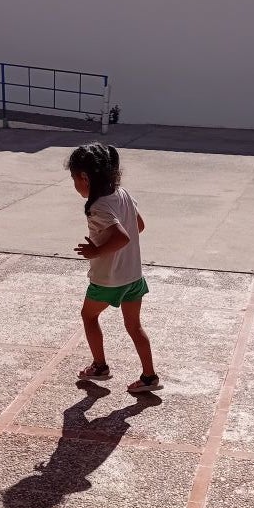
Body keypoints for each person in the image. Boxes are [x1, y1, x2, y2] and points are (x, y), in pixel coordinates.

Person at [68, 143, 161, 394]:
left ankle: (99, 367)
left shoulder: (98, 207)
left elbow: (122, 237)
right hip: (134, 276)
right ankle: (149, 377)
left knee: (89, 316)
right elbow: (139, 226)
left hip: (108, 280)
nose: (75, 185)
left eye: (74, 179)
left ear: (85, 177)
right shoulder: (122, 193)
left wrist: (95, 251)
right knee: (134, 326)